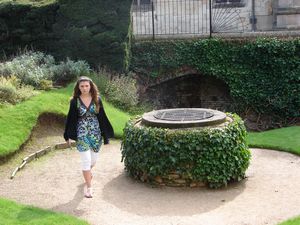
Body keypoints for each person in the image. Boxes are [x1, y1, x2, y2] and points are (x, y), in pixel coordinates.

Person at [64, 76, 114, 198]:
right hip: (82, 133)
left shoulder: (97, 99)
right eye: (82, 86)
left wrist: (105, 136)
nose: (84, 88)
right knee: (86, 161)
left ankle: (88, 174)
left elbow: (102, 118)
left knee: (93, 161)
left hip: (95, 133)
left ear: (91, 86)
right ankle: (89, 187)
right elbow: (70, 119)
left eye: (87, 86)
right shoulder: (74, 101)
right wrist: (68, 136)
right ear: (78, 87)